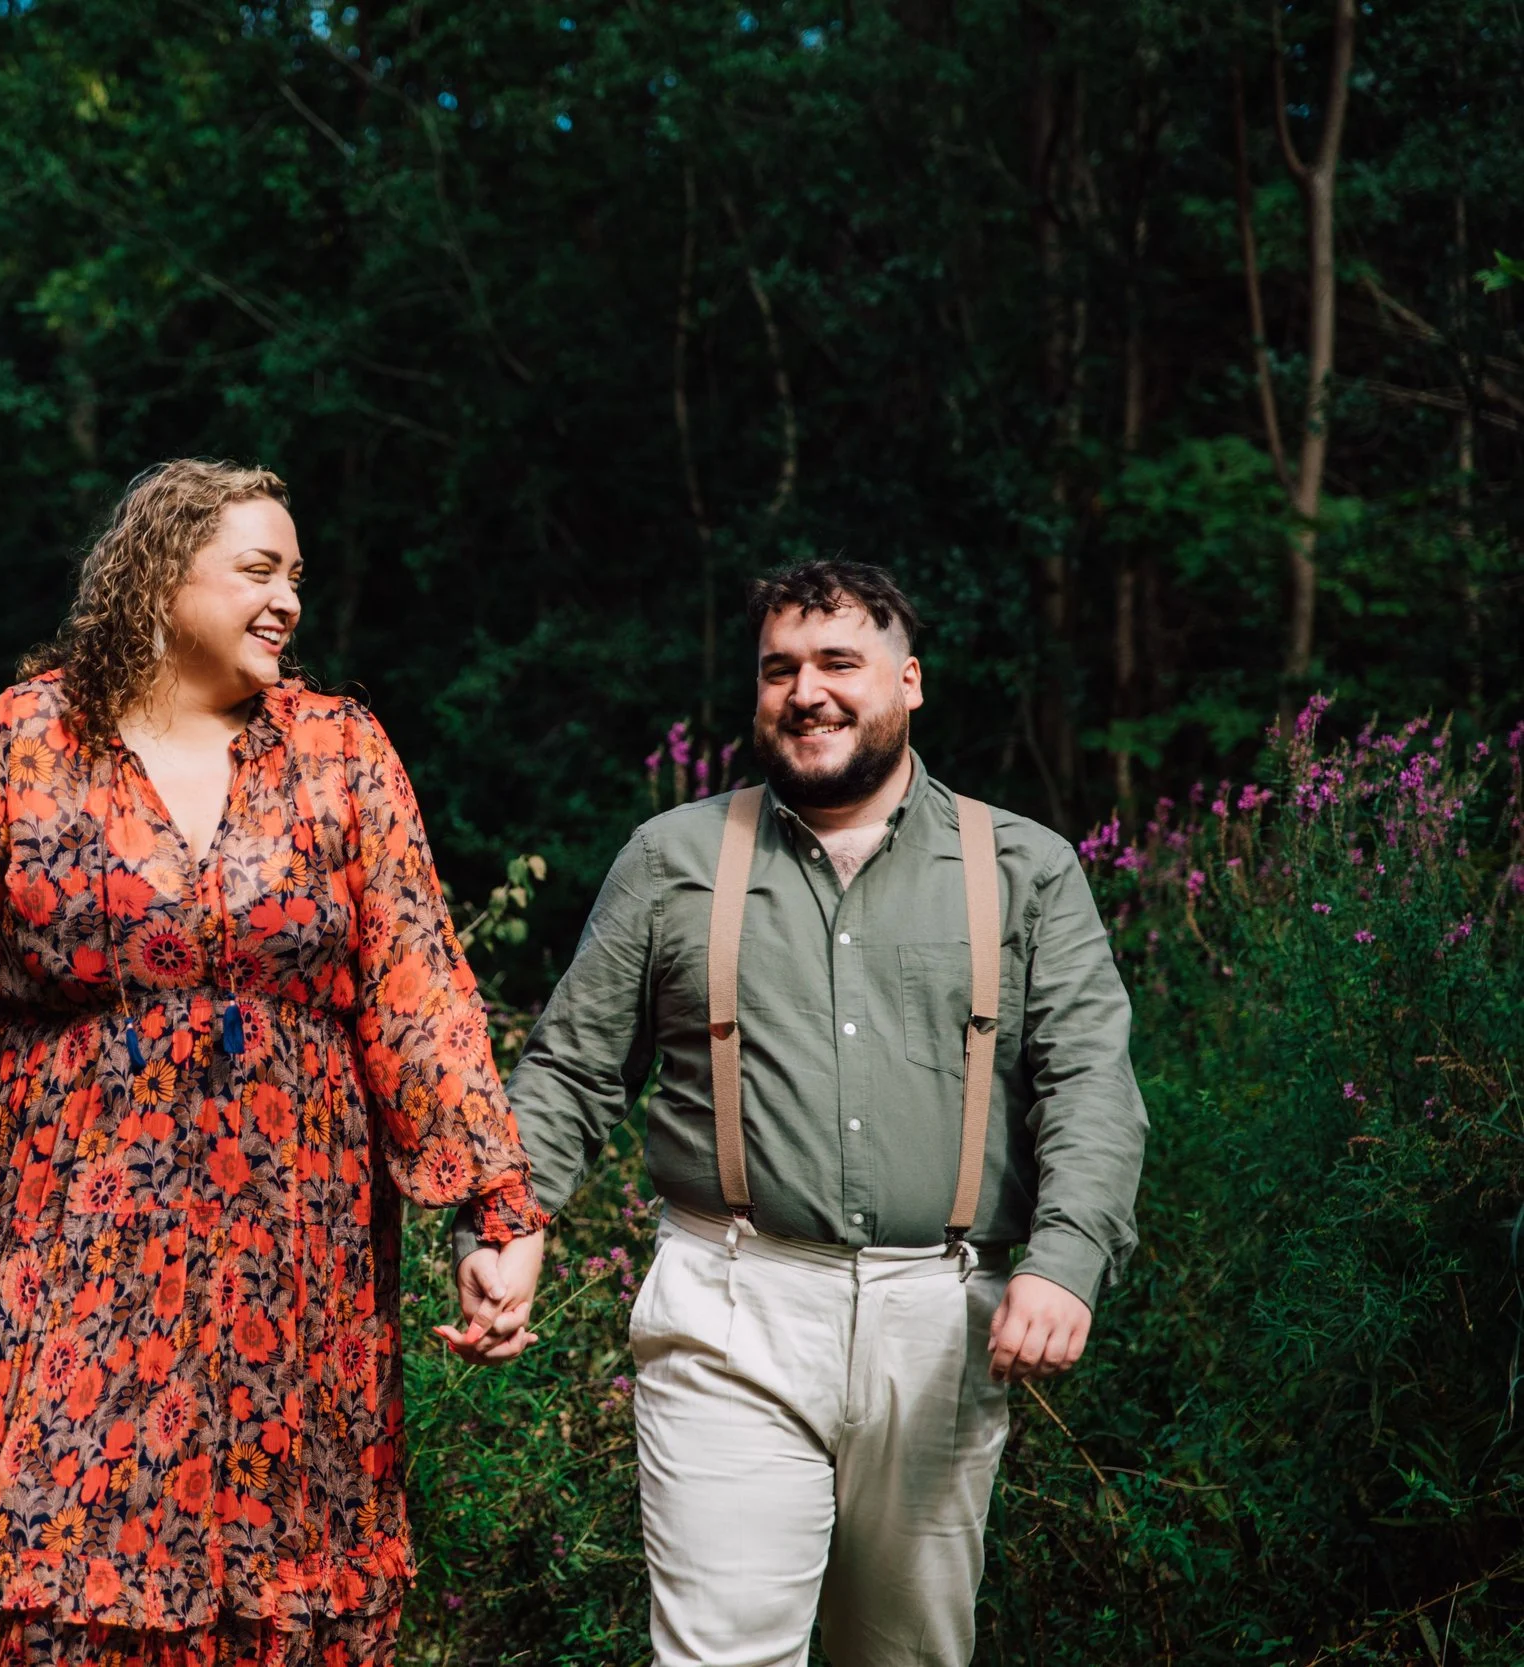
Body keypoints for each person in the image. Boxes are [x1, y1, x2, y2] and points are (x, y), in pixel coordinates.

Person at [0, 459, 549, 1667]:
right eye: (258, 569)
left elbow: (419, 990)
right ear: (162, 577)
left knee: (284, 1569)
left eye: (298, 577)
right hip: (58, 1237)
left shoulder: (339, 750)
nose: (288, 600)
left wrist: (493, 1208)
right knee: (40, 1551)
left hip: (294, 1253)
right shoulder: (24, 738)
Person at [459, 560, 1146, 1667]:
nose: (805, 691)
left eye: (838, 662)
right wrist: (506, 1220)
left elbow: (1090, 1081)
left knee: (907, 1653)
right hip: (730, 1301)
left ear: (908, 681)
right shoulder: (671, 858)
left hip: (941, 1313)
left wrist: (1065, 1257)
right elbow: (573, 1070)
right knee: (721, 1652)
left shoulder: (1023, 867)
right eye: (779, 668)